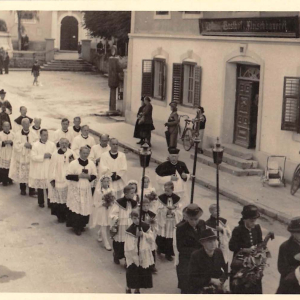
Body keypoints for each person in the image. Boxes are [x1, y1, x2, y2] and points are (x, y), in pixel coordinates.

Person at [229, 204, 263, 294]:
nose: (254, 223)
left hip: (253, 264)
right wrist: (244, 249)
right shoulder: (238, 230)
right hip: (240, 264)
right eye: (252, 221)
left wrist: (259, 250)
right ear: (245, 219)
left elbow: (260, 242)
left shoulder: (257, 228)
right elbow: (231, 246)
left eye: (255, 221)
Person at [65, 146, 97, 236]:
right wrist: (78, 176)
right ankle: (76, 227)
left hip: (86, 188)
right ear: (79, 153)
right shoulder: (74, 163)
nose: (85, 155)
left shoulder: (91, 163)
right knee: (77, 207)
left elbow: (95, 174)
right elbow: (67, 176)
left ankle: (82, 224)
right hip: (75, 188)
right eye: (84, 153)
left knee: (84, 206)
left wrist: (89, 177)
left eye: (87, 153)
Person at [176, 204, 206, 294]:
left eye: (196, 219)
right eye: (191, 219)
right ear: (187, 218)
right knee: (187, 282)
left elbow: (204, 237)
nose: (194, 222)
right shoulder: (181, 229)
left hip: (201, 256)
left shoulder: (202, 224)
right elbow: (180, 248)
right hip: (187, 258)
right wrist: (197, 252)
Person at [188, 229, 228, 294]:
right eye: (210, 242)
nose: (213, 244)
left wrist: (224, 281)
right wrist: (210, 280)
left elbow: (224, 269)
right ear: (202, 243)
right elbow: (192, 278)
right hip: (202, 287)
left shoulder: (218, 252)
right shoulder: (196, 256)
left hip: (218, 285)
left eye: (214, 240)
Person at [125, 209, 155, 294]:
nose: (136, 220)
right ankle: (129, 286)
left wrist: (143, 234)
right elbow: (128, 245)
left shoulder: (146, 227)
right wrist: (134, 254)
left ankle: (137, 288)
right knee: (132, 271)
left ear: (141, 217)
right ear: (131, 218)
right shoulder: (129, 230)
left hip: (144, 253)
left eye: (138, 218)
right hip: (134, 254)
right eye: (134, 218)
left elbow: (151, 239)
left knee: (141, 272)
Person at [48, 138, 75, 222]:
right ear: (59, 144)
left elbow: (75, 164)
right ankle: (60, 216)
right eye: (62, 143)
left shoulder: (71, 153)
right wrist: (52, 179)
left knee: (68, 198)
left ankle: (67, 215)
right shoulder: (55, 154)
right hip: (58, 178)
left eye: (65, 143)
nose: (64, 145)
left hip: (68, 180)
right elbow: (51, 168)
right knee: (59, 199)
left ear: (68, 144)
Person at [9, 118, 37, 196]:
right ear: (22, 125)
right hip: (22, 157)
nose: (27, 125)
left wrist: (31, 145)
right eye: (25, 124)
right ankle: (23, 189)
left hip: (30, 156)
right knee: (22, 173)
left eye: (28, 124)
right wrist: (24, 145)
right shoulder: (17, 134)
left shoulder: (33, 133)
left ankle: (32, 190)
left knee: (31, 173)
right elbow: (16, 146)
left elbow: (37, 142)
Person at [110, 185, 137, 265]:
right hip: (121, 225)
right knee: (120, 242)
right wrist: (116, 218)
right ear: (125, 194)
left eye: (134, 193)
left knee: (129, 243)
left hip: (130, 225)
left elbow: (136, 213)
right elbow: (113, 213)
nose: (133, 195)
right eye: (131, 193)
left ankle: (127, 259)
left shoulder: (134, 203)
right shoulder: (119, 203)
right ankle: (117, 255)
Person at [29, 129, 56, 208]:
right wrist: (43, 156)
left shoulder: (52, 144)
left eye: (47, 135)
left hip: (48, 167)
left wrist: (50, 155)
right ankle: (41, 202)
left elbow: (55, 155)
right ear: (40, 135)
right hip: (40, 168)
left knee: (49, 185)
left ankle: (50, 202)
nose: (46, 137)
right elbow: (33, 157)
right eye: (44, 135)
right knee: (40, 187)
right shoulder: (35, 145)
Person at [156, 181, 182, 261]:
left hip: (172, 221)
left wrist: (174, 211)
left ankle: (168, 254)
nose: (166, 192)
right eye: (165, 190)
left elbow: (179, 210)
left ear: (172, 189)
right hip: (164, 221)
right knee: (162, 235)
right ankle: (160, 249)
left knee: (170, 237)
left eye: (168, 190)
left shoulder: (177, 198)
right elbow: (158, 209)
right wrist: (165, 211)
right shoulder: (161, 198)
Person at [89, 175, 115, 251]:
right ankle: (106, 243)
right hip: (102, 210)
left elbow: (114, 200)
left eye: (107, 181)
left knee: (107, 224)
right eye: (104, 181)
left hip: (109, 209)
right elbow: (95, 202)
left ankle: (99, 232)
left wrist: (110, 203)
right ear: (101, 182)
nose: (106, 183)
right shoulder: (99, 191)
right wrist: (102, 203)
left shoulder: (112, 190)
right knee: (104, 224)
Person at [276, 216, 300, 294]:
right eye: (299, 232)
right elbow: (282, 268)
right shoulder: (285, 247)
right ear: (292, 233)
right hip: (290, 285)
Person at [141, 198, 158, 274]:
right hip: (143, 234)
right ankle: (143, 264)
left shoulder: (152, 214)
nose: (145, 207)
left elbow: (155, 223)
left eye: (147, 205)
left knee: (152, 249)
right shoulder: (140, 215)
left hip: (150, 233)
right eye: (144, 205)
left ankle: (152, 265)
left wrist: (153, 227)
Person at [0, 121, 14, 185]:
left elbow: (15, 142)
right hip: (3, 152)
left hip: (10, 151)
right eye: (5, 126)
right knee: (3, 167)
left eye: (8, 126)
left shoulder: (13, 134)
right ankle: (4, 180)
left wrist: (11, 142)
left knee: (10, 166)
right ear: (2, 127)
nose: (6, 127)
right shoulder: (0, 134)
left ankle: (10, 179)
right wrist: (3, 142)